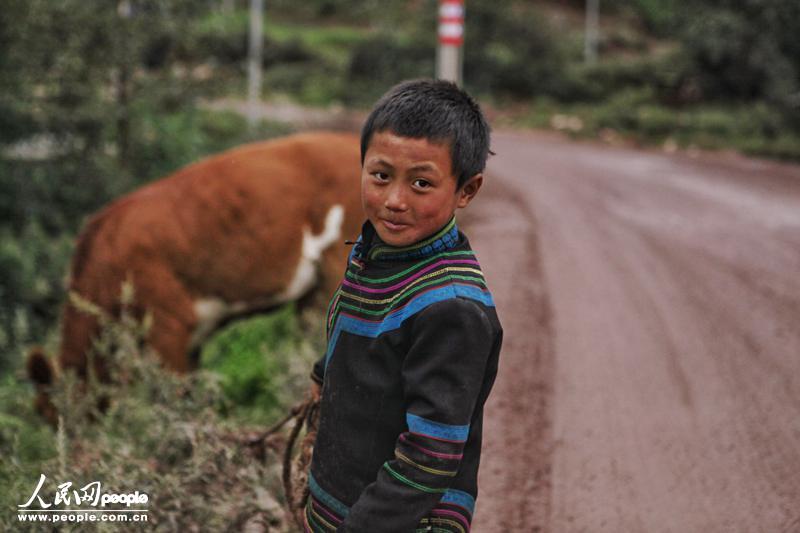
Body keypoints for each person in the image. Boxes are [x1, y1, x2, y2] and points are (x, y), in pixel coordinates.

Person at [305, 79, 503, 533]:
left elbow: (429, 460)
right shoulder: (378, 253)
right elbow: (360, 333)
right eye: (380, 176)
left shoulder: (452, 309)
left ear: (466, 190)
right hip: (341, 504)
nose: (394, 201)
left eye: (421, 183)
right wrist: (323, 374)